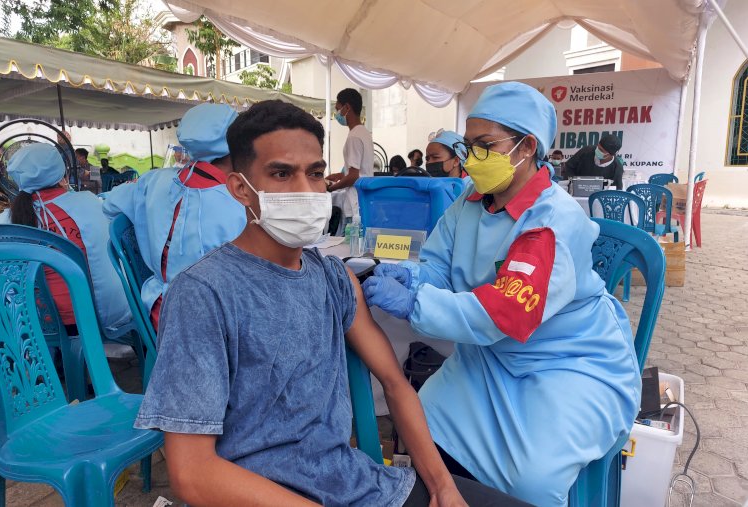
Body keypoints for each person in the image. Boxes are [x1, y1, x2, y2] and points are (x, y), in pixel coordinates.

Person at [134, 100, 529, 507]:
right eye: (282, 174)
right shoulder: (203, 293)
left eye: (316, 173)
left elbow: (395, 385)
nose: (306, 191)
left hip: (355, 484)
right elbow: (191, 474)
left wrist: (442, 487)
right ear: (239, 188)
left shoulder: (332, 277)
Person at [361, 82, 641, 507]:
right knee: (422, 424)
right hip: (491, 357)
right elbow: (439, 263)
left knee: (531, 479)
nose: (471, 158)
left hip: (568, 364)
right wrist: (413, 277)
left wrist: (416, 302)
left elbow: (506, 313)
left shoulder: (550, 222)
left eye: (484, 145)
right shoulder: (471, 203)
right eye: (469, 146)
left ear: (527, 147)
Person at [103, 103, 246, 331]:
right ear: (240, 146)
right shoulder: (239, 205)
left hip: (157, 306)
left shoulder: (153, 180)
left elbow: (109, 205)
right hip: (206, 322)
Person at [0, 143, 131, 334]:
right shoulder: (90, 203)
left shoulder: (5, 223)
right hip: (100, 315)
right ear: (60, 171)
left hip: (33, 323)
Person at [326, 88, 374, 219]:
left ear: (347, 107)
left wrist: (330, 189)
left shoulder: (354, 137)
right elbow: (360, 169)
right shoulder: (364, 133)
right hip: (364, 198)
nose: (337, 114)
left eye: (338, 109)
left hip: (355, 202)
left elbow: (354, 176)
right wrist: (340, 175)